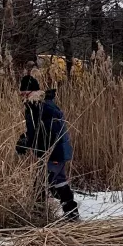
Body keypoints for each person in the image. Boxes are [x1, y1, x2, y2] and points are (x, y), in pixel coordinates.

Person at [16, 73, 80, 220]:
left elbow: (50, 131)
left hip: (54, 151)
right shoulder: (34, 106)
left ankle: (39, 215)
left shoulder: (43, 106)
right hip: (49, 151)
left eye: (25, 93)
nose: (23, 96)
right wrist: (26, 139)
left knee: (42, 183)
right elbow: (37, 130)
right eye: (21, 94)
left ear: (32, 91)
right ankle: (71, 213)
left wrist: (31, 141)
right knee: (57, 182)